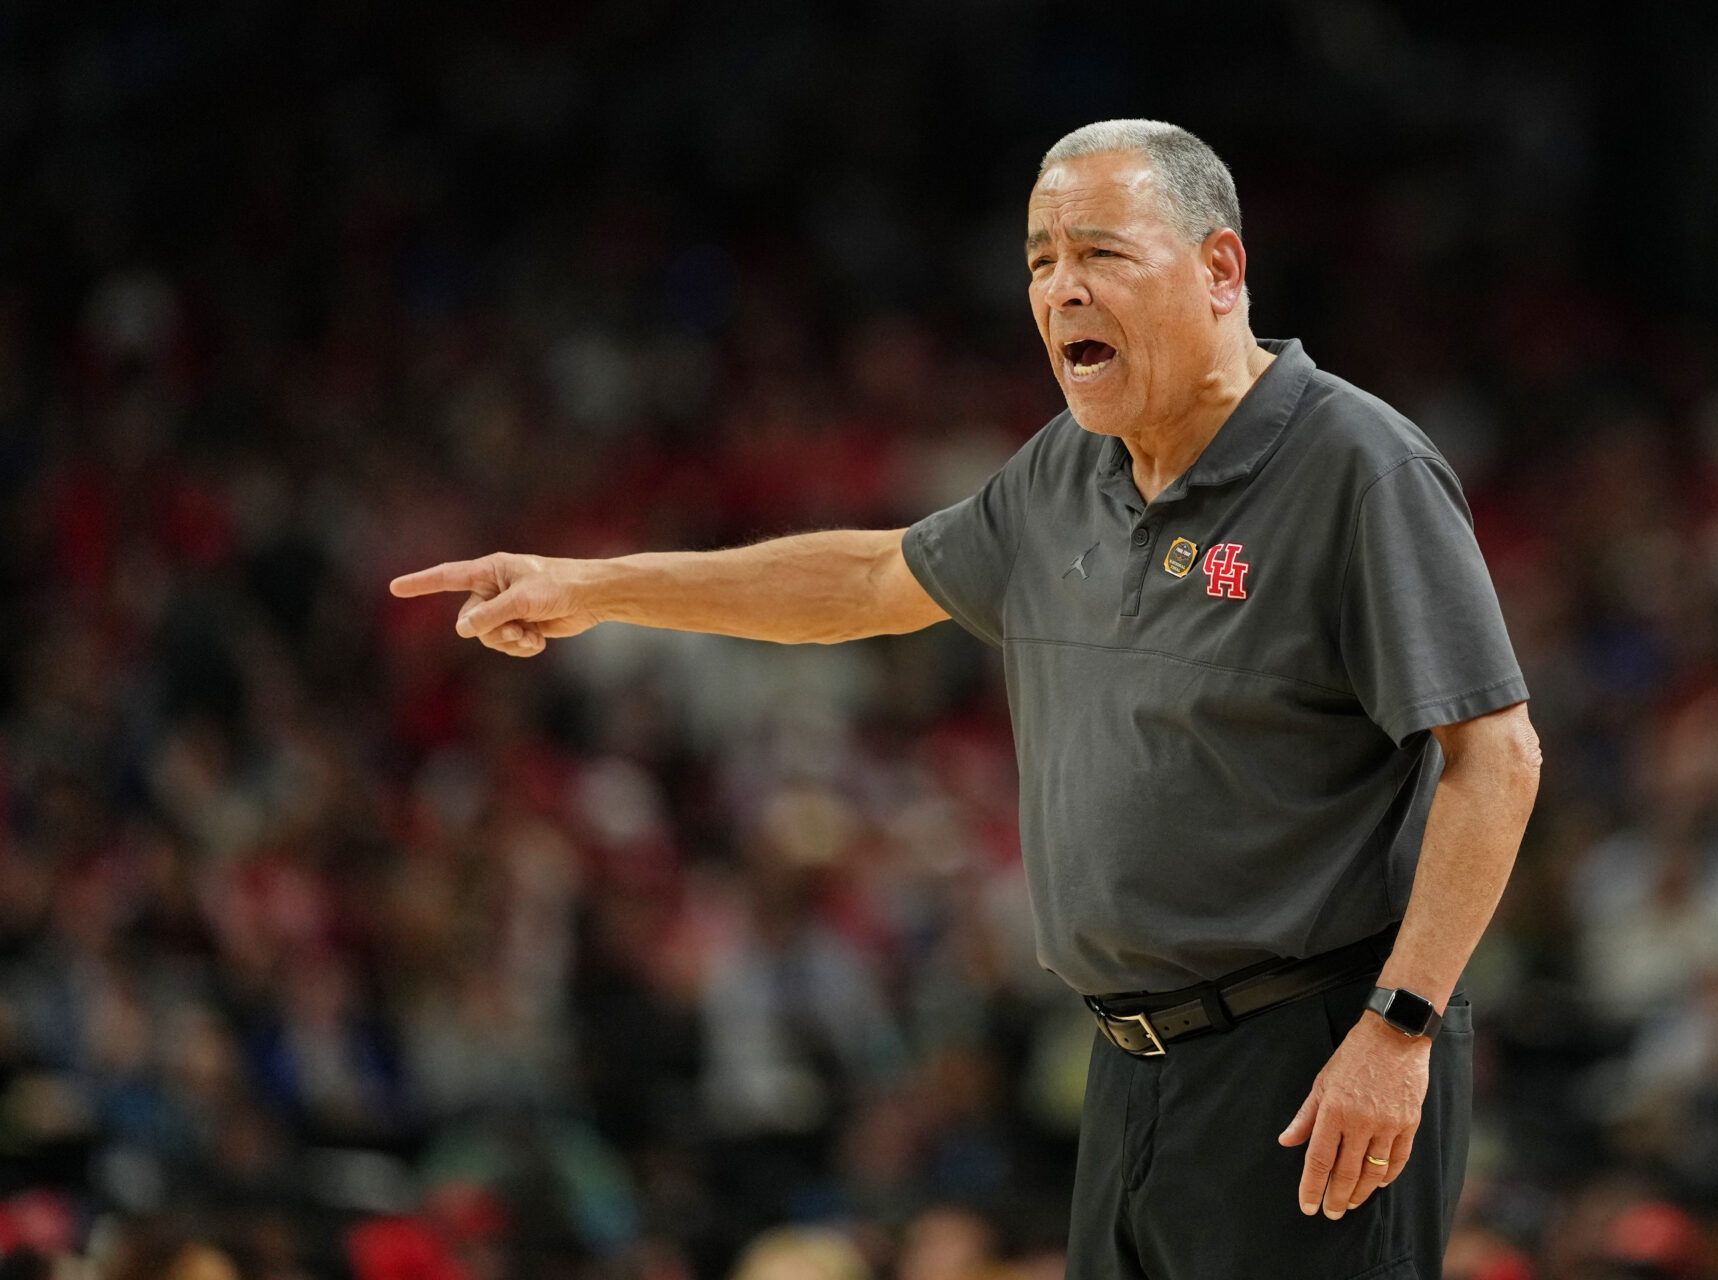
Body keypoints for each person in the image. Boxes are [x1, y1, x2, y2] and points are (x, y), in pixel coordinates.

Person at [391, 119, 1542, 1279]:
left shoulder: (1357, 465)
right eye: (1040, 260)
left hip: (1312, 1058)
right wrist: (595, 584)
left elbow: (1496, 755)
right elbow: (871, 577)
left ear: (1220, 267)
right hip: (1126, 1063)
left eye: (1100, 252)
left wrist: (1399, 1030)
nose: (1061, 289)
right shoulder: (1062, 472)